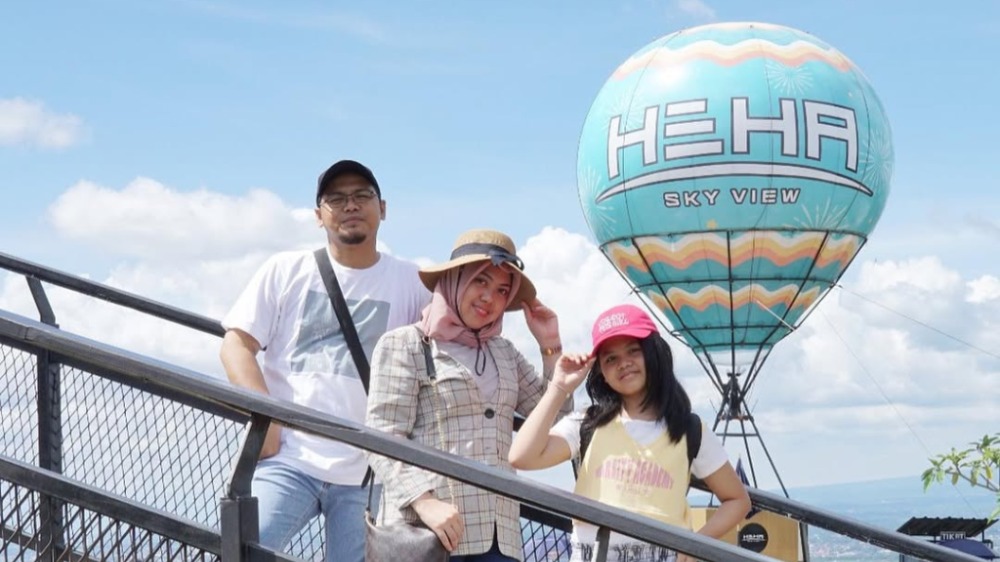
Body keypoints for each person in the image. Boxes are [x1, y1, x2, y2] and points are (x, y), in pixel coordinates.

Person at [220, 159, 431, 561]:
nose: (349, 205)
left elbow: (454, 337)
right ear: (319, 216)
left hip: (370, 472)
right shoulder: (287, 270)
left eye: (361, 196)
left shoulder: (412, 282)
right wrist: (269, 420)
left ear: (382, 208)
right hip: (290, 460)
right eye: (336, 199)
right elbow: (236, 344)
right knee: (242, 552)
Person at [365, 228, 580, 562]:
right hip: (426, 534)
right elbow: (382, 436)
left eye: (502, 290)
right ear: (455, 280)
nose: (489, 298)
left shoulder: (504, 353)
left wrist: (550, 347)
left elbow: (554, 420)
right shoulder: (405, 343)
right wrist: (425, 501)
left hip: (500, 538)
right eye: (480, 281)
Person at [509, 304, 751, 562]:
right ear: (600, 370)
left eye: (634, 351)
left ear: (654, 353)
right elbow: (522, 457)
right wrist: (558, 387)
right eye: (610, 358)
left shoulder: (690, 430)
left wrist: (693, 548)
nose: (623, 364)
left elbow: (737, 500)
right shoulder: (587, 422)